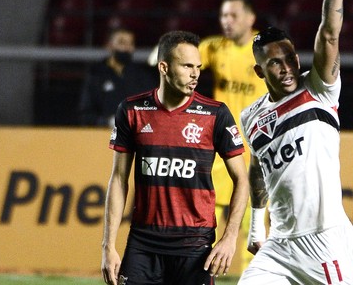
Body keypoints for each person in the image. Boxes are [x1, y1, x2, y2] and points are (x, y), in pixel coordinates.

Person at [238, 0, 353, 284]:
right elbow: (258, 167)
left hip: (327, 242)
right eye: (274, 63)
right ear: (260, 72)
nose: (286, 68)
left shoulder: (319, 90)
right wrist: (255, 224)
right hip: (279, 246)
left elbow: (329, 33)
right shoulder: (252, 117)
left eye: (290, 58)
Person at [101, 30, 249, 285]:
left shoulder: (216, 114)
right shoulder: (131, 111)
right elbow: (118, 179)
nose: (195, 74)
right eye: (187, 66)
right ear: (164, 67)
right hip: (143, 243)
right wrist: (108, 245)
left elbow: (242, 180)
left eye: (199, 67)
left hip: (195, 245)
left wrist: (229, 237)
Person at [198, 0, 268, 272]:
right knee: (211, 203)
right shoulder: (215, 47)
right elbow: (182, 60)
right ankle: (203, 265)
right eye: (223, 15)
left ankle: (257, 270)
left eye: (233, 15)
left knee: (256, 207)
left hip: (258, 141)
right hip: (223, 140)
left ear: (250, 18)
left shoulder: (265, 47)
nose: (227, 21)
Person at [78, 27, 158, 127]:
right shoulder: (96, 75)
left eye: (130, 43)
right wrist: (107, 122)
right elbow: (86, 113)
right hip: (103, 136)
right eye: (121, 42)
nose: (126, 47)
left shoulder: (143, 76)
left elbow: (154, 108)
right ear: (109, 45)